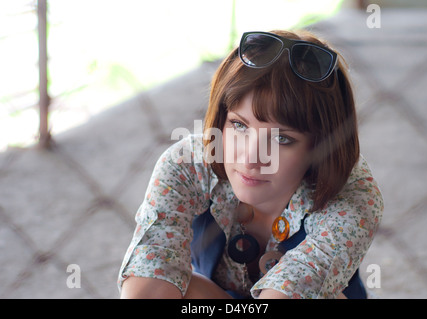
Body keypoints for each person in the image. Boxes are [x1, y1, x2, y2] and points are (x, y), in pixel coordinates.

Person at [118, 30, 383, 299]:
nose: (250, 158)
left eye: (281, 138)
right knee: (174, 285)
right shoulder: (189, 163)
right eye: (239, 125)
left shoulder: (354, 195)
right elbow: (146, 285)